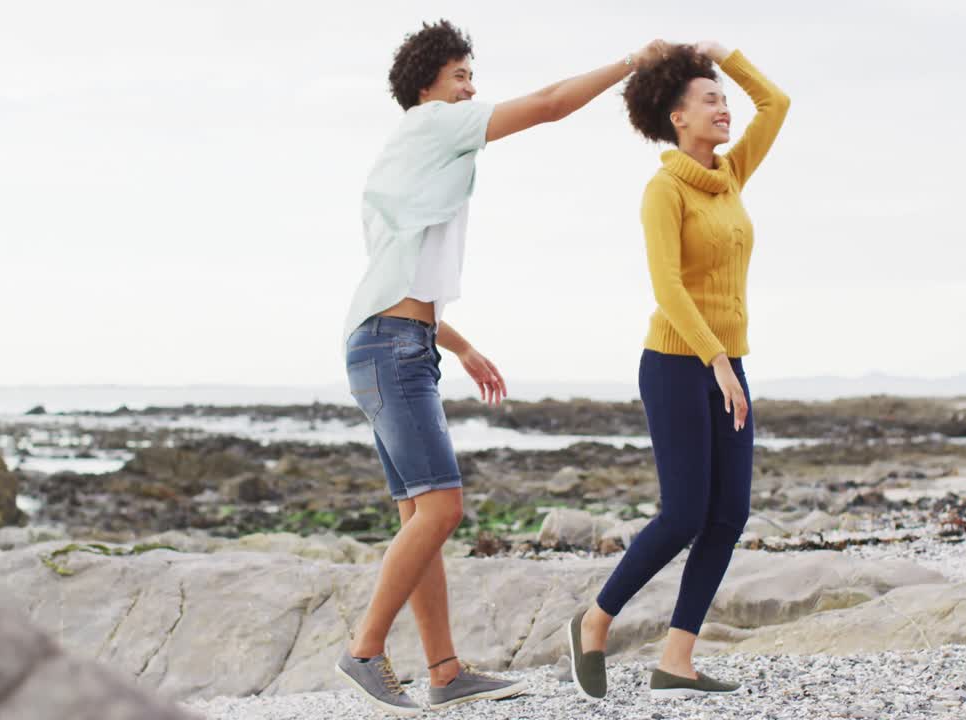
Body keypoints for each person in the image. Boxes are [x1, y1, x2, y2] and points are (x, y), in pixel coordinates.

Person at [336, 19, 669, 716]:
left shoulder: (403, 158)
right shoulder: (434, 124)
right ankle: (365, 648)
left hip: (390, 342)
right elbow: (549, 105)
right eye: (461, 75)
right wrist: (631, 62)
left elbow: (395, 278)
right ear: (428, 84)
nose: (471, 88)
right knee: (443, 508)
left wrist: (456, 345)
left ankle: (445, 671)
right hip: (393, 346)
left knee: (418, 516)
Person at [565, 40, 790, 701]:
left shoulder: (729, 175)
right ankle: (595, 622)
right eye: (711, 99)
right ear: (676, 115)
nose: (725, 108)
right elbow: (667, 285)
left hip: (727, 366)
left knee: (729, 515)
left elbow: (776, 103)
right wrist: (714, 359)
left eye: (724, 99)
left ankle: (677, 660)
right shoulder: (664, 190)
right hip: (674, 364)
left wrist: (729, 57)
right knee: (685, 512)